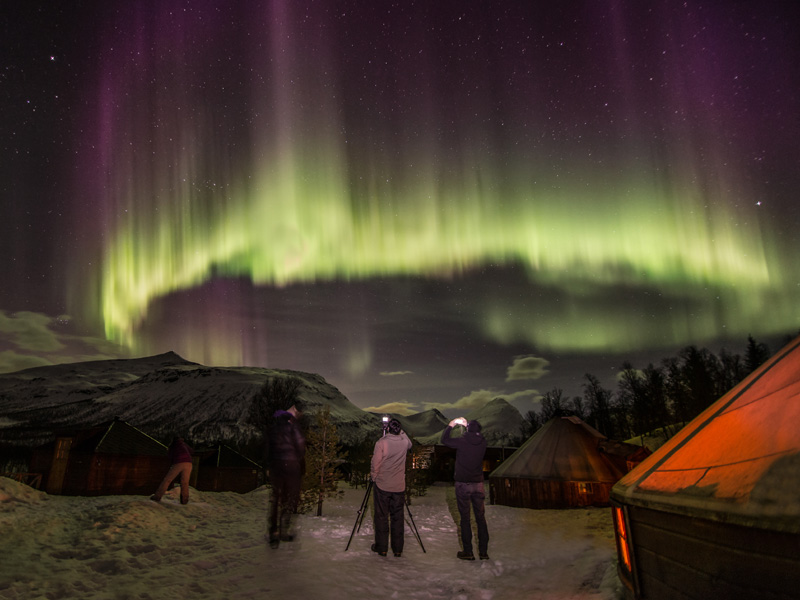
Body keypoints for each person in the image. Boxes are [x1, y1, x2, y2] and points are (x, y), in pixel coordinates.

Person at [441, 417, 489, 560]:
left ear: (468, 429)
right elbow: (473, 438)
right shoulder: (483, 442)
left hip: (463, 484)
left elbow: (445, 440)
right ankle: (483, 552)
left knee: (465, 519)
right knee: (480, 518)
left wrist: (452, 425)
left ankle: (468, 552)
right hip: (478, 484)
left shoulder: (462, 441)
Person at [370, 418, 412, 557]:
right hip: (399, 487)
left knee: (382, 517)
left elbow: (376, 462)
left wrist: (374, 476)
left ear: (387, 428)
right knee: (397, 517)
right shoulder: (404, 442)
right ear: (399, 430)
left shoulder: (381, 443)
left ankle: (382, 548)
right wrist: (402, 432)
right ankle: (397, 549)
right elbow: (410, 444)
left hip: (383, 485)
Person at [267, 405, 306, 548]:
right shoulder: (293, 426)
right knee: (290, 498)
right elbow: (300, 444)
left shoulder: (275, 426)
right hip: (291, 465)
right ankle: (284, 530)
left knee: (276, 498)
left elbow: (269, 446)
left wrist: (270, 464)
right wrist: (298, 457)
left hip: (276, 466)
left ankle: (273, 533)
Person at [151, 436, 194, 504]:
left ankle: (157, 496)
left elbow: (170, 456)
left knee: (167, 480)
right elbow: (191, 451)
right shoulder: (184, 444)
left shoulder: (173, 446)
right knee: (185, 482)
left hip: (179, 462)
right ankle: (184, 500)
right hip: (189, 463)